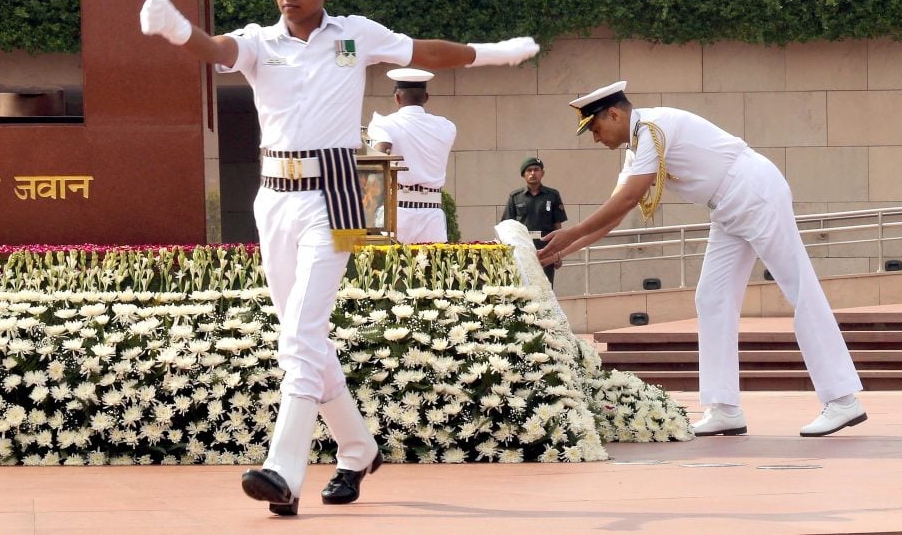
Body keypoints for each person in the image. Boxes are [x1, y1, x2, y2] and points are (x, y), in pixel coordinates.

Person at [139, 0, 538, 516]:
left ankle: (283, 468)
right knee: (301, 335)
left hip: (337, 196)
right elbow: (215, 48)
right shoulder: (258, 42)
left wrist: (495, 52)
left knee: (302, 331)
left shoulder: (354, 34)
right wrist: (180, 32)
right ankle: (356, 447)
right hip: (274, 198)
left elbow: (425, 51)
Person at [536, 81, 866, 438]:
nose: (596, 139)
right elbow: (615, 215)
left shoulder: (652, 129)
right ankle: (724, 407)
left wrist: (570, 233)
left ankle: (842, 399)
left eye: (596, 129)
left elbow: (630, 198)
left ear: (615, 114)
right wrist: (561, 250)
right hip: (726, 206)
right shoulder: (635, 148)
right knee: (712, 297)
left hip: (754, 190)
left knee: (799, 287)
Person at [366, 68, 456, 244]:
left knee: (393, 270)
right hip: (432, 212)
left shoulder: (384, 123)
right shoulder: (447, 126)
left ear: (397, 98)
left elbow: (380, 154)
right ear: (426, 97)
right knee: (433, 270)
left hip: (399, 212)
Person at [501, 157, 567, 286]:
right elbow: (507, 226)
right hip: (522, 248)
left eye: (536, 170)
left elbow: (558, 226)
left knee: (546, 286)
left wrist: (558, 253)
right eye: (529, 170)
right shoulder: (515, 197)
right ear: (523, 175)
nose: (533, 173)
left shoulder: (552, 195)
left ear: (542, 173)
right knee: (523, 285)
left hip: (546, 248)